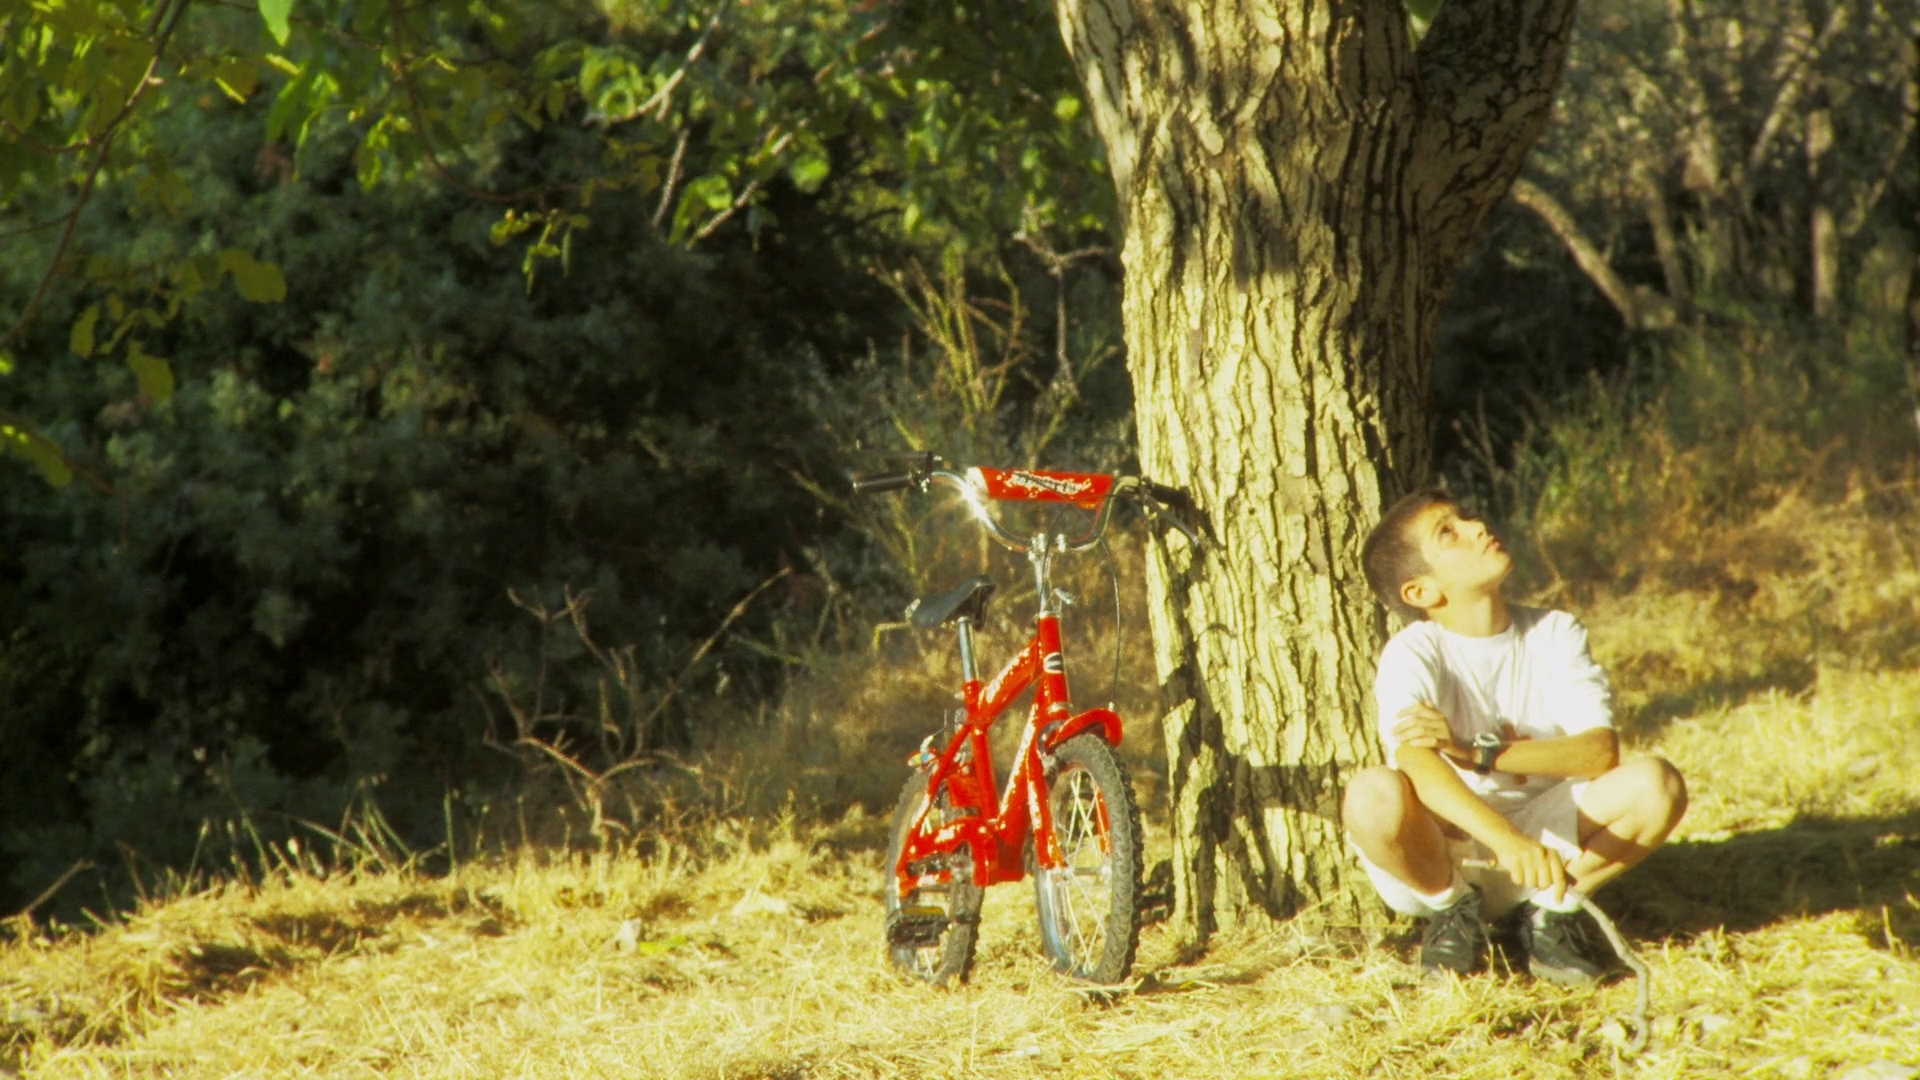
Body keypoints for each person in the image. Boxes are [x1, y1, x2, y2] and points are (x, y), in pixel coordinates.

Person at [1342, 488, 1688, 983]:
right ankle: (1454, 912)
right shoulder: (1413, 653)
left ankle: (1551, 911)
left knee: (1657, 783)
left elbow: (1598, 753)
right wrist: (1504, 841)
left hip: (1546, 845)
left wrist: (1475, 753)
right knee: (1371, 793)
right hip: (1447, 850)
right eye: (1449, 533)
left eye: (1468, 516)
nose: (1477, 527)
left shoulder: (1555, 632)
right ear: (1421, 592)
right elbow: (1417, 762)